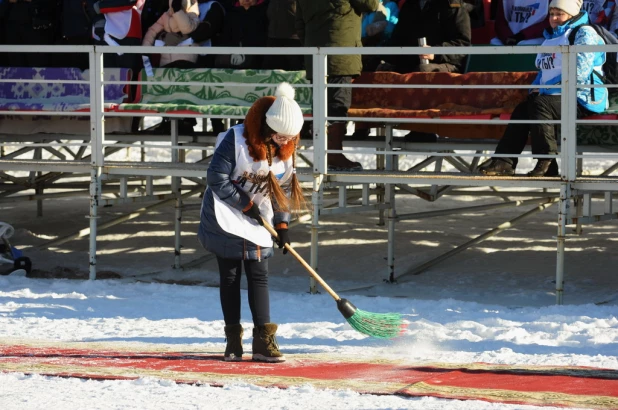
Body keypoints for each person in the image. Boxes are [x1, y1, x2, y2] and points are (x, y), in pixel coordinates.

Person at [197, 82, 306, 363]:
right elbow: (216, 179)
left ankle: (264, 341)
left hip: (260, 215)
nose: (285, 142)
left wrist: (282, 225)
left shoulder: (286, 147)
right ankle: (233, 339)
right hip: (226, 212)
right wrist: (244, 204)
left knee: (259, 274)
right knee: (231, 276)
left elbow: (282, 189)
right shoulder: (235, 140)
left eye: (290, 137)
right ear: (268, 127)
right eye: (281, 136)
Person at [480, 0, 608, 177]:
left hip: (583, 98)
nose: (554, 18)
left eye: (559, 13)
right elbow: (543, 72)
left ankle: (546, 162)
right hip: (554, 97)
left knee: (540, 103)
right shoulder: (550, 37)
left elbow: (579, 73)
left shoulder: (584, 33)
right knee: (523, 109)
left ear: (571, 14)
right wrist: (536, 88)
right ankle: (505, 160)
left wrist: (545, 89)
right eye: (551, 13)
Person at [296, 0, 382, 171]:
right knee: (338, 104)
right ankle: (334, 155)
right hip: (340, 55)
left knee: (321, 106)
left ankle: (324, 155)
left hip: (316, 54)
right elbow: (371, 5)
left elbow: (299, 24)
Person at [378, 0, 471, 73]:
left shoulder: (452, 5)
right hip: (410, 62)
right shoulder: (409, 5)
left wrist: (435, 52)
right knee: (375, 65)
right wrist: (384, 58)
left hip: (445, 63)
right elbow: (397, 39)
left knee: (422, 71)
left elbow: (462, 43)